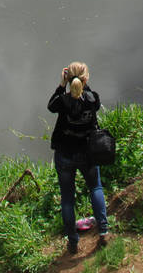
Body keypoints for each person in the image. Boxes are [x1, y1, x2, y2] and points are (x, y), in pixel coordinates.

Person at [48, 61, 109, 254]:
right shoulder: (92, 99)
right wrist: (84, 83)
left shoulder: (62, 101)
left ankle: (73, 242)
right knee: (96, 188)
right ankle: (104, 232)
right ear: (85, 79)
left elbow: (51, 105)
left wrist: (61, 84)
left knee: (67, 198)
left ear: (68, 78)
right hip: (88, 154)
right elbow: (92, 100)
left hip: (65, 155)